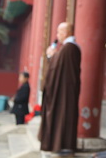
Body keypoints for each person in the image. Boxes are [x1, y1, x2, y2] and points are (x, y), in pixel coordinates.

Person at [38, 22, 81, 154]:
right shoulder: (68, 48)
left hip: (64, 92)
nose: (57, 35)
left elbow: (56, 67)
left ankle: (62, 145)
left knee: (63, 116)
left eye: (59, 32)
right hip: (65, 90)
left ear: (66, 32)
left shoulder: (69, 48)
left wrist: (52, 55)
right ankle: (61, 144)